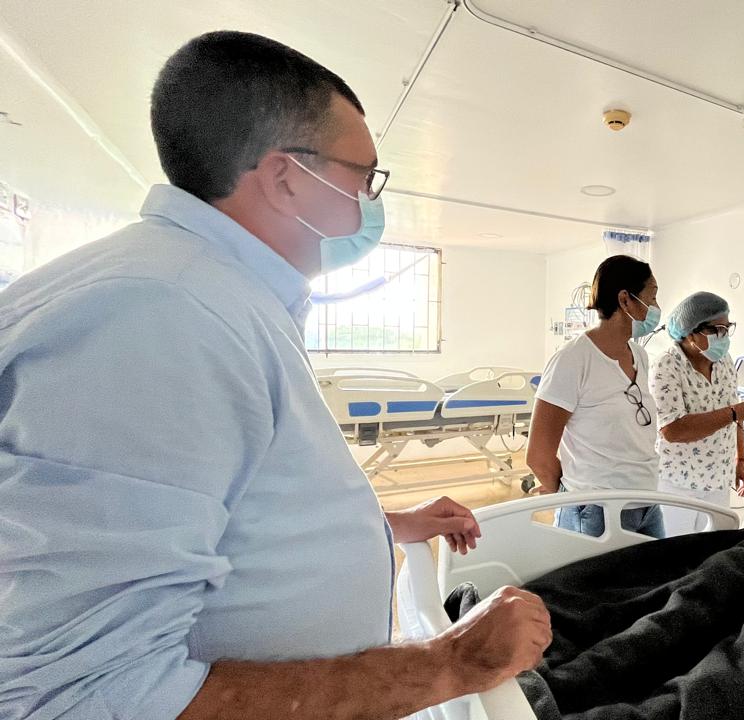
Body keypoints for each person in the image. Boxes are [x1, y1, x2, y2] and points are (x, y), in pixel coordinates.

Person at [0, 32, 550, 720]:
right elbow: (92, 697)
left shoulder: (208, 298)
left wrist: (385, 526)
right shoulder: (161, 315)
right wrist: (454, 664)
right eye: (363, 178)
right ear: (288, 177)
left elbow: (228, 511)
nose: (367, 204)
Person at [526, 255, 665, 538]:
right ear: (625, 300)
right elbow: (539, 455)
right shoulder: (573, 359)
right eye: (652, 296)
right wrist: (571, 499)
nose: (656, 308)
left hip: (648, 504)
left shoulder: (639, 355)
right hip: (596, 511)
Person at [649, 291, 744, 534]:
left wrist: (741, 460)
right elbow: (673, 430)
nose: (724, 337)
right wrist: (737, 411)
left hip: (718, 478)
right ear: (689, 331)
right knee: (675, 552)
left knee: (711, 552)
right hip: (677, 483)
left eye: (727, 328)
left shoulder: (725, 361)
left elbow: (735, 415)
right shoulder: (667, 365)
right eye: (716, 329)